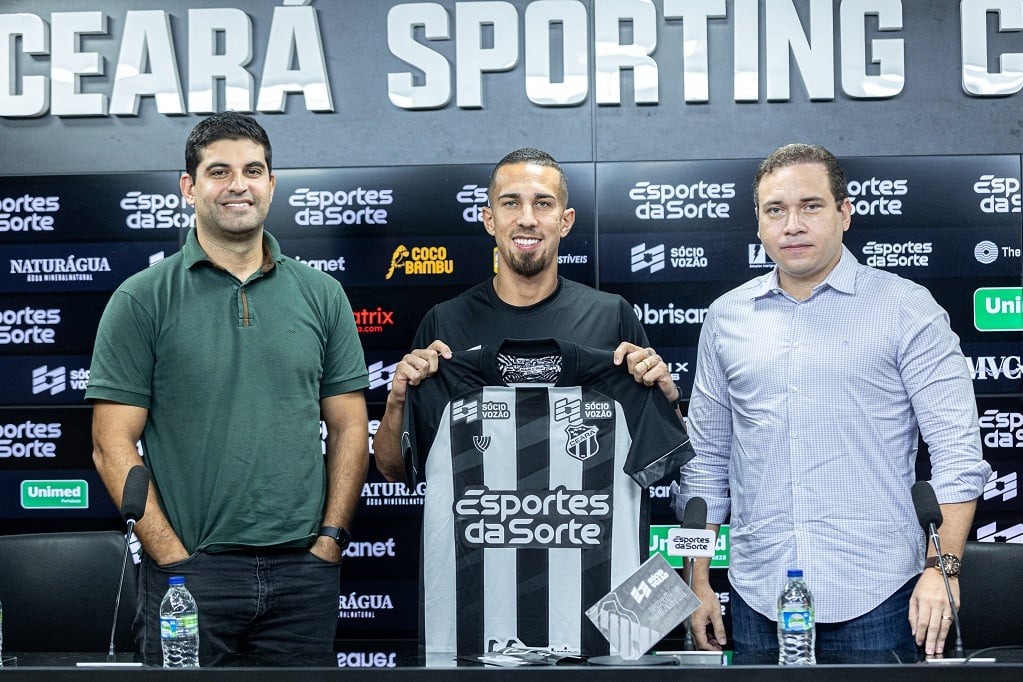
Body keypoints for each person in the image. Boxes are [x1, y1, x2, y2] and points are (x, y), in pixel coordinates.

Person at [372, 148, 692, 656]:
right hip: (472, 632)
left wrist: (666, 399)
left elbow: (660, 467)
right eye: (511, 203)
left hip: (606, 635)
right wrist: (397, 401)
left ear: (564, 221)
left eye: (543, 204)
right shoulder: (445, 326)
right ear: (488, 218)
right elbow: (393, 469)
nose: (527, 218)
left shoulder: (612, 319)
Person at [677, 143, 991, 658]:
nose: (792, 225)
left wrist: (943, 571)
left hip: (881, 598)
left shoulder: (906, 309)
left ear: (845, 213)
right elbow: (705, 467)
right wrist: (696, 581)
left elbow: (957, 456)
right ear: (757, 223)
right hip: (759, 599)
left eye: (811, 206)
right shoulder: (726, 318)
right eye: (775, 210)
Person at [87, 111, 369, 665]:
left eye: (253, 170)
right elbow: (111, 444)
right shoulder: (142, 298)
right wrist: (172, 558)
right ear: (189, 187)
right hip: (189, 575)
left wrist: (330, 540)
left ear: (271, 183)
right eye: (219, 171)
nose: (238, 184)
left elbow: (350, 425)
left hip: (303, 577)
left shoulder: (323, 294)